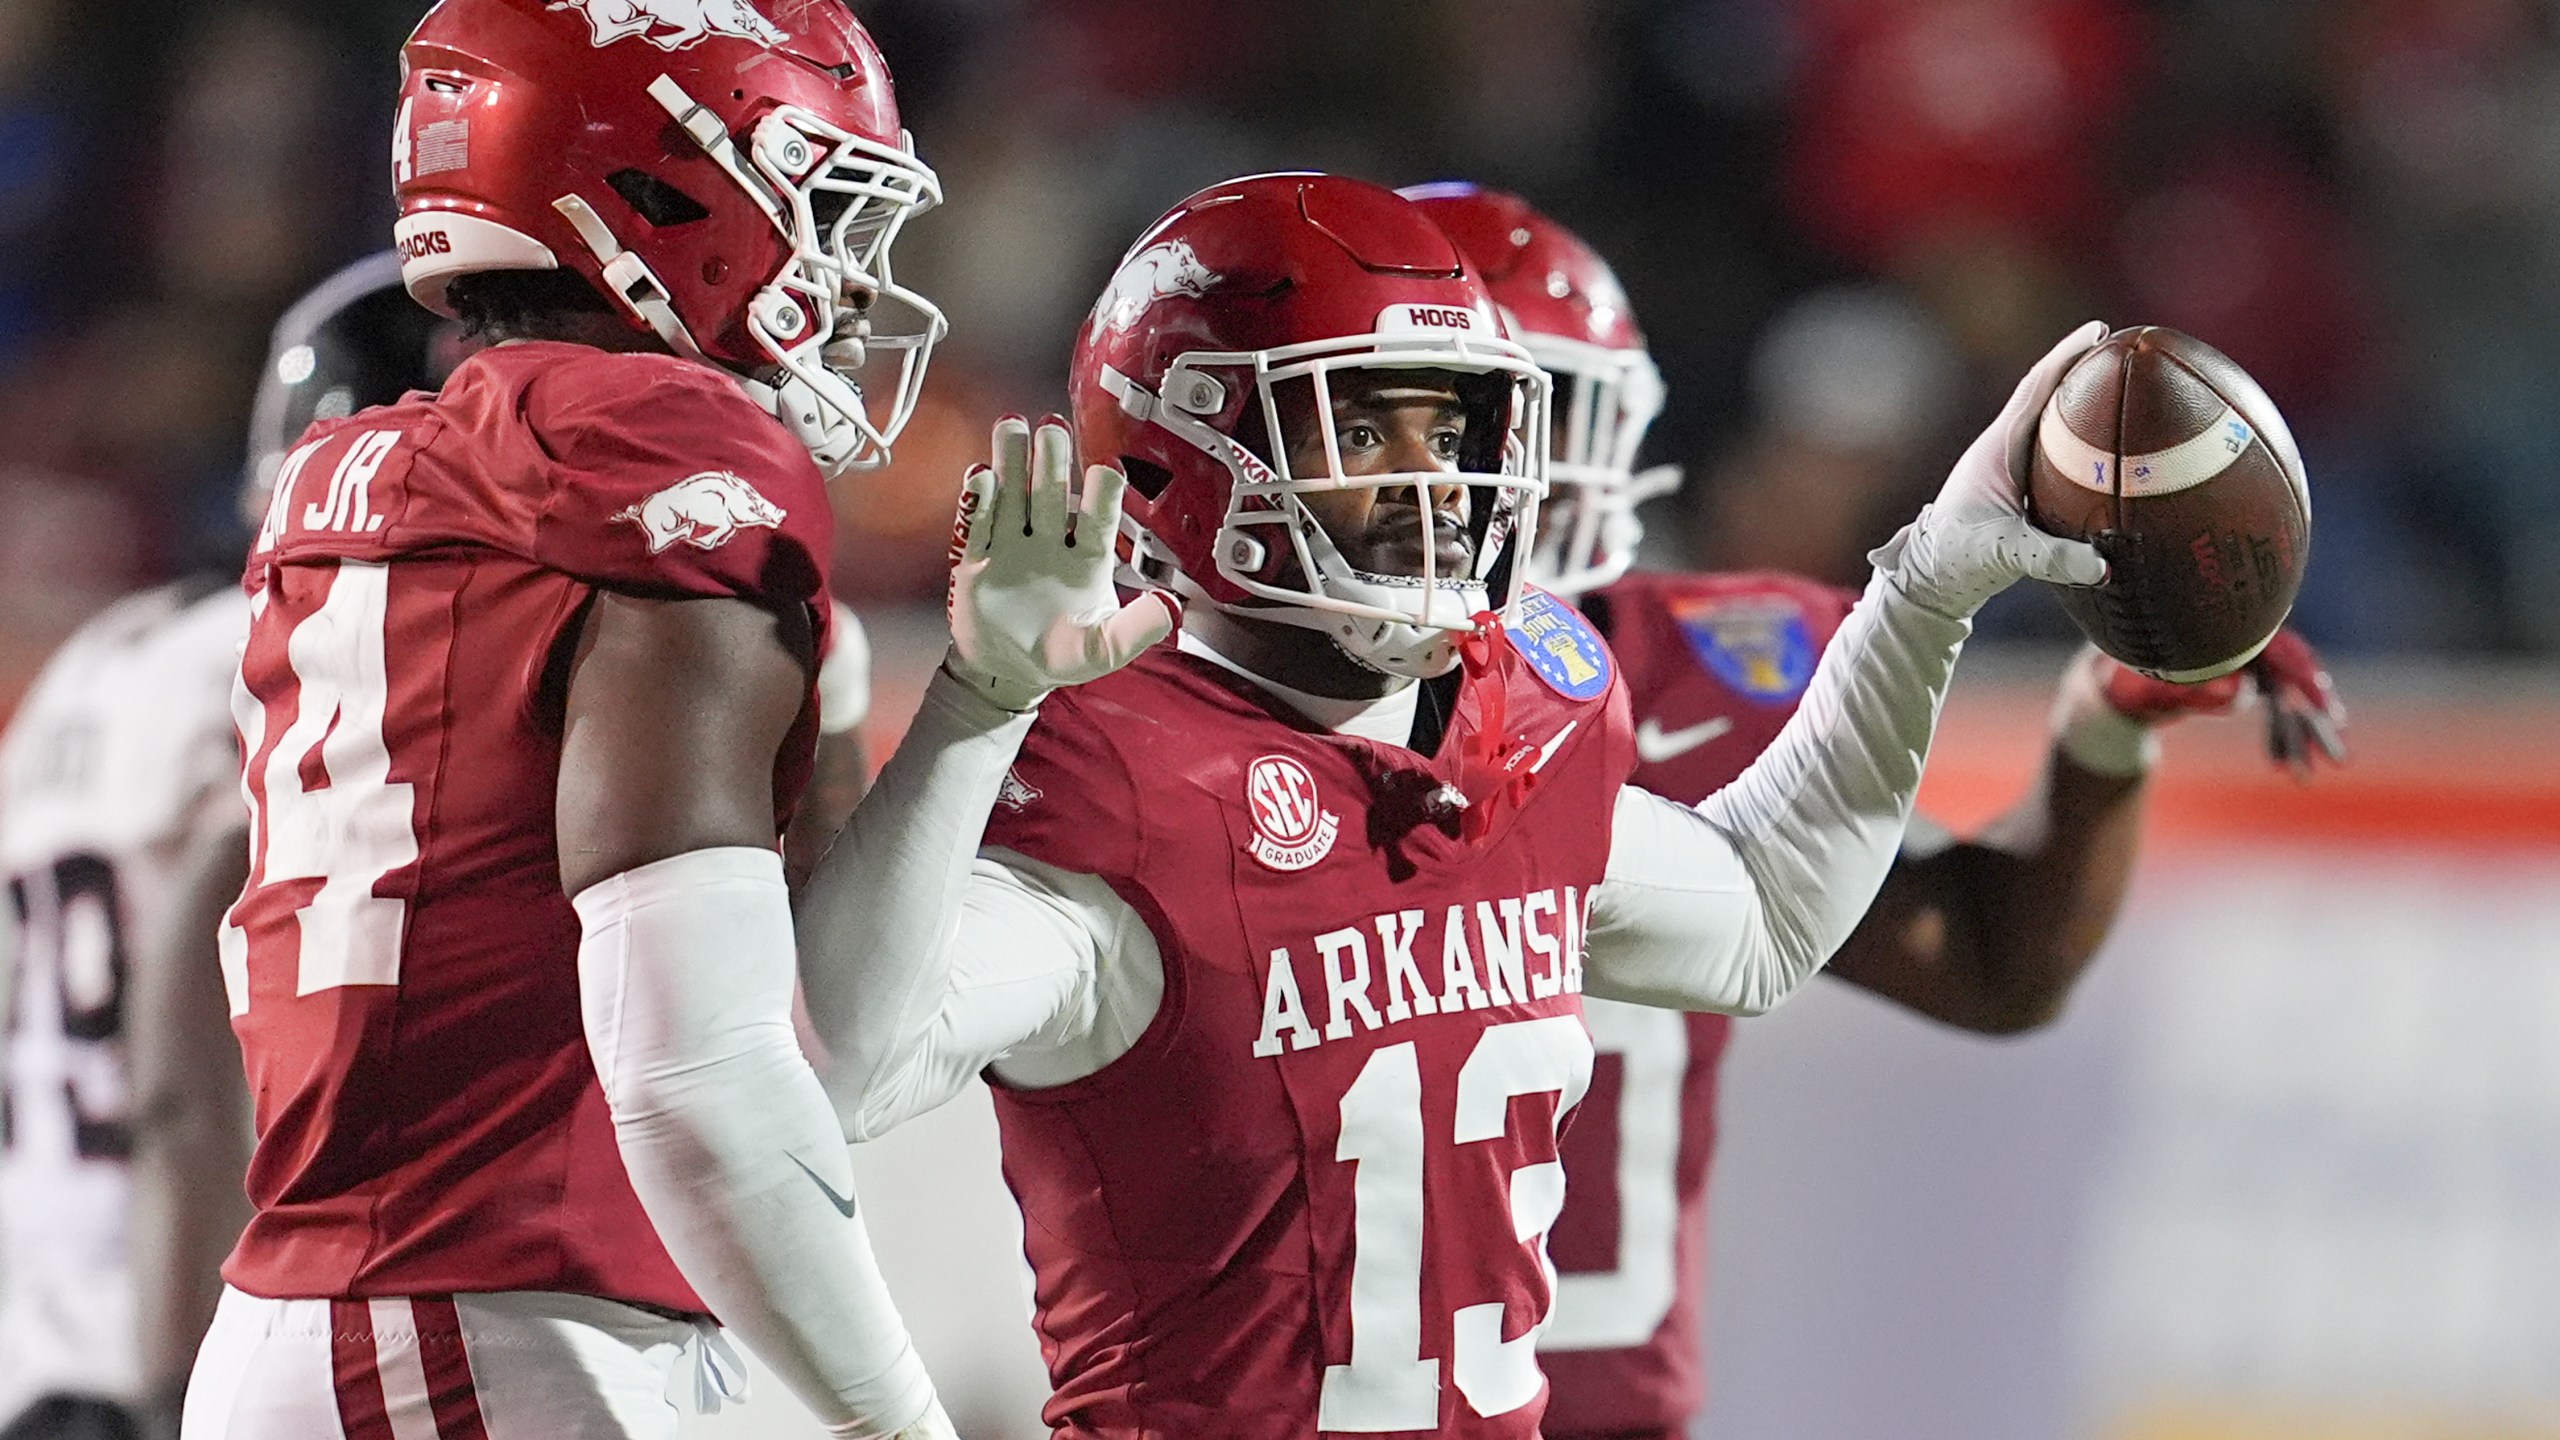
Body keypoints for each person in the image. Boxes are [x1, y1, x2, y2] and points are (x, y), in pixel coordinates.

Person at [792, 171, 2114, 1439]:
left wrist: (1931, 581)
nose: (1434, 485)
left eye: (1456, 427)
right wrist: (977, 704)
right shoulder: (1125, 771)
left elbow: (1768, 918)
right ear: (1173, 457)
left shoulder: (1526, 717)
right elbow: (837, 1069)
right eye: (1363, 428)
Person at [179, 3, 1172, 1436]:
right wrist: (901, 1423)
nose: (844, 273)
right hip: (485, 1335)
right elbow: (698, 1079)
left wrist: (981, 700)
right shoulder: (656, 452)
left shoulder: (390, 458)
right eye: (817, 198)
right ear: (656, 187)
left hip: (395, 1323)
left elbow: (818, 1044)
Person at [1402, 182, 2350, 1440]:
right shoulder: (1193, 715)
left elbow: (1984, 961)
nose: (1471, 476)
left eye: (1518, 414)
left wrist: (2102, 731)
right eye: (1393, 422)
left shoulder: (1705, 671)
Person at [0, 250, 459, 1440]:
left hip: (42, 1333)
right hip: (185, 1332)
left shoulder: (107, 655)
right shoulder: (300, 666)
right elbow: (185, 1074)